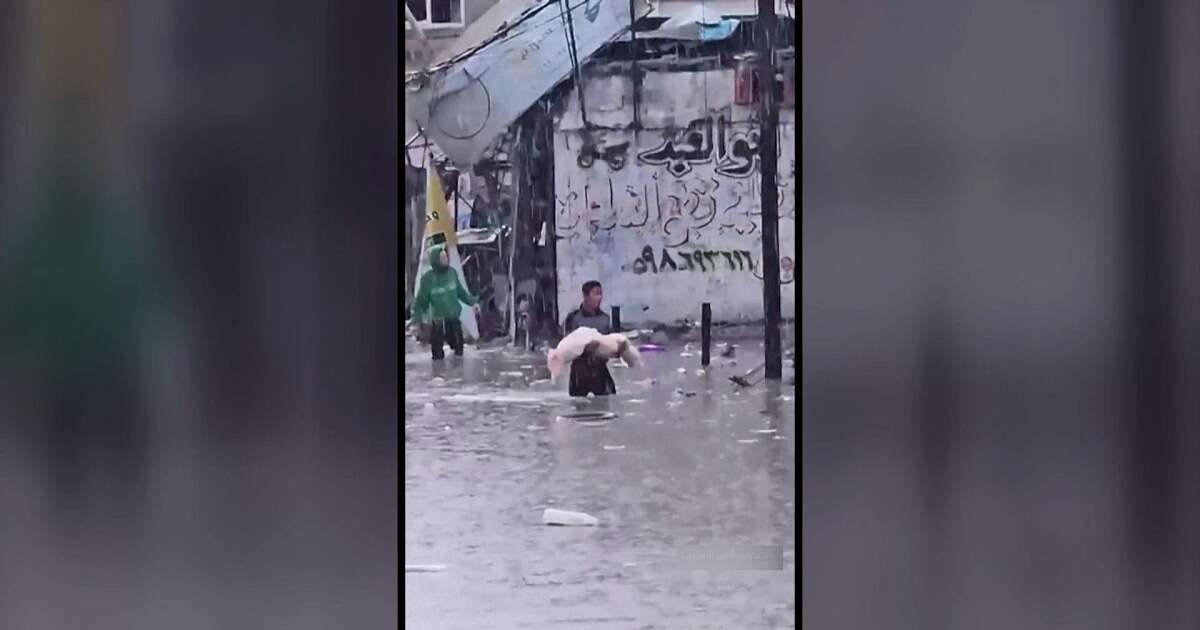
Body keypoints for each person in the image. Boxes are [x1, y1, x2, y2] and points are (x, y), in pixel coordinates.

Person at [411, 243, 477, 360]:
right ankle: (439, 375)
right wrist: (417, 320)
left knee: (459, 352)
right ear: (436, 260)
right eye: (442, 258)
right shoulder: (428, 279)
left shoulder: (452, 273)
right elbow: (421, 302)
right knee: (437, 357)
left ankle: (457, 374)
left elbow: (461, 293)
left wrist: (473, 303)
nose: (446, 259)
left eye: (446, 257)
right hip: (437, 321)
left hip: (453, 319)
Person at [562, 280, 620, 397]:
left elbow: (613, 345)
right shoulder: (574, 318)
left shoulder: (605, 319)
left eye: (600, 294)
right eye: (596, 294)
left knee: (608, 404)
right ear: (585, 296)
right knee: (578, 408)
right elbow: (567, 345)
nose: (599, 297)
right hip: (579, 372)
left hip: (600, 370)